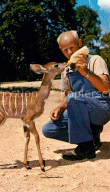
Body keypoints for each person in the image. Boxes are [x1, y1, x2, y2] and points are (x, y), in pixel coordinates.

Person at [42, 30, 110, 161]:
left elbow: (106, 88)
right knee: (49, 129)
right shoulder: (66, 71)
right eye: (65, 50)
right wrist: (60, 108)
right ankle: (91, 138)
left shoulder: (96, 60)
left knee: (74, 97)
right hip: (78, 108)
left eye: (72, 48)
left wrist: (86, 72)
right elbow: (67, 95)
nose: (69, 53)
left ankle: (86, 149)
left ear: (80, 43)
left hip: (100, 109)